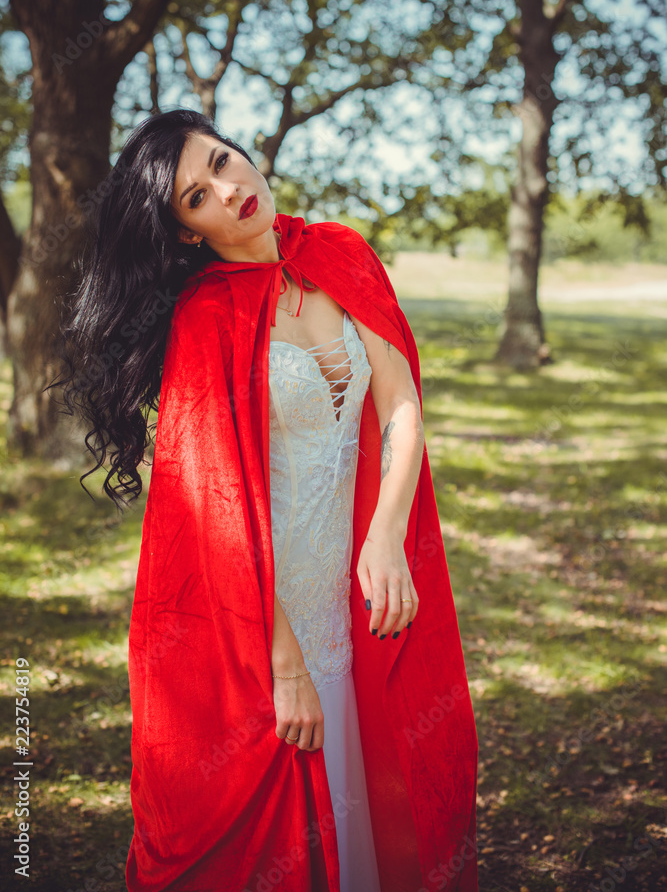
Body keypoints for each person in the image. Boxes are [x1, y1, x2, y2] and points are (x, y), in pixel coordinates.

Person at [53, 108, 479, 892]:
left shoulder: (342, 254)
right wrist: (281, 664)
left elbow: (399, 401)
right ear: (186, 232)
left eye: (222, 160)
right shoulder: (204, 318)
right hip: (255, 614)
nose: (227, 187)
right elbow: (211, 515)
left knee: (375, 791)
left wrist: (386, 534)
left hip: (350, 586)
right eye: (196, 196)